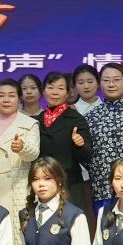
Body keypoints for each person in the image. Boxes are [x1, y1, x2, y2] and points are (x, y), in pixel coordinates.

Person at [82, 64, 123, 214]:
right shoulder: (90, 116)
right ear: (100, 84)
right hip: (103, 187)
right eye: (106, 80)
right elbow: (86, 155)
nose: (111, 84)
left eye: (116, 80)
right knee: (106, 228)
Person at [0, 80, 42, 223]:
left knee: (20, 229)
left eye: (11, 95)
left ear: (19, 99)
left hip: (20, 185)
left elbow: (34, 153)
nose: (6, 100)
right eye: (1, 96)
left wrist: (22, 148)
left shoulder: (30, 124)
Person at [36, 72, 95, 208]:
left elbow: (87, 156)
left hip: (70, 184)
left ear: (68, 93)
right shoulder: (37, 120)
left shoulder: (76, 119)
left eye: (61, 88)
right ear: (43, 91)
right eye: (50, 87)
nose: (55, 92)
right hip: (43, 183)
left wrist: (81, 144)